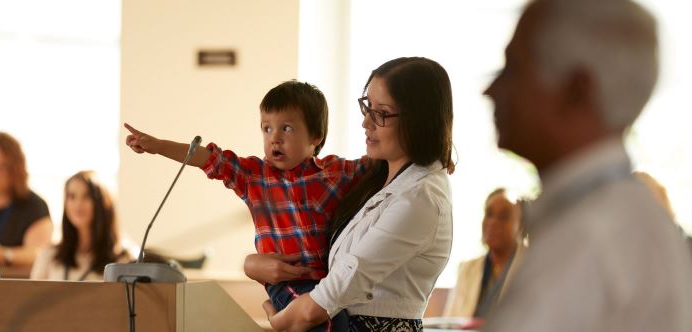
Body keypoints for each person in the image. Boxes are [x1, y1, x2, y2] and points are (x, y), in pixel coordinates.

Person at [481, 1, 692, 331]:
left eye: (513, 68)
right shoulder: (624, 214)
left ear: (576, 90)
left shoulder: (588, 236)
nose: (489, 90)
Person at [124, 80, 369, 331]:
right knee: (326, 322)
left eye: (286, 128)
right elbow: (209, 158)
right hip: (285, 284)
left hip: (328, 283)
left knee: (339, 320)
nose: (275, 138)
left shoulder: (334, 173)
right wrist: (157, 146)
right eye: (266, 128)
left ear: (316, 136)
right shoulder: (255, 176)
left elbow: (377, 163)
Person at [246, 57, 454, 332]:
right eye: (367, 106)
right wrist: (253, 265)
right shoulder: (374, 180)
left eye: (381, 113)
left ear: (418, 120)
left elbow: (344, 280)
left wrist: (280, 320)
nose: (366, 122)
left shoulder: (420, 197)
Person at [30, 171, 134, 281]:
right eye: (72, 196)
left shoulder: (124, 259)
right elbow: (33, 296)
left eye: (87, 196)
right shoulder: (49, 255)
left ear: (102, 203)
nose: (78, 204)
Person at [0, 132, 52, 268]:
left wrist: (3, 255)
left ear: (16, 169)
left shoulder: (34, 206)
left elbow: (40, 254)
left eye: (2, 167)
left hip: (19, 286)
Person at [444, 188, 524, 318]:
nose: (493, 222)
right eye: (489, 214)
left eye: (504, 216)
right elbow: (450, 323)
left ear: (521, 225)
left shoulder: (530, 264)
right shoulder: (467, 268)